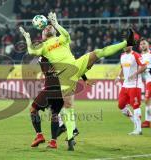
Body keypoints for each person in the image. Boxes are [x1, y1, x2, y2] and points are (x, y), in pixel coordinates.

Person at [19, 12, 139, 150]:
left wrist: (56, 23)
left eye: (49, 27)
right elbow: (31, 51)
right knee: (68, 106)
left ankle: (127, 42)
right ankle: (70, 138)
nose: (48, 28)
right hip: (64, 76)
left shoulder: (61, 39)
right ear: (42, 35)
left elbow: (67, 35)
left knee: (98, 52)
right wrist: (27, 38)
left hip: (76, 65)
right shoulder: (44, 47)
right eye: (45, 28)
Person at [30, 56, 91, 149]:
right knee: (55, 114)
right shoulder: (60, 55)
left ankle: (39, 135)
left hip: (50, 88)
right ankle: (53, 142)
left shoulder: (45, 55)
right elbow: (77, 66)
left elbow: (48, 70)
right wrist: (85, 79)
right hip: (61, 89)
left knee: (33, 110)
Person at [115, 46, 146, 135]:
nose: (125, 46)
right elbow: (122, 68)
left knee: (135, 106)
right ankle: (135, 122)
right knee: (121, 105)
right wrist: (118, 76)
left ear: (131, 46)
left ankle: (139, 129)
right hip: (125, 85)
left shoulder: (136, 55)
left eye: (127, 44)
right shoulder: (122, 55)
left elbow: (144, 66)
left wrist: (135, 74)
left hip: (135, 85)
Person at [139, 39, 151, 128]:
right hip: (147, 80)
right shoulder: (140, 56)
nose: (142, 45)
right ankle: (147, 121)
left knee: (146, 100)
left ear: (148, 45)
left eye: (144, 43)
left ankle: (147, 121)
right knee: (147, 101)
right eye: (141, 44)